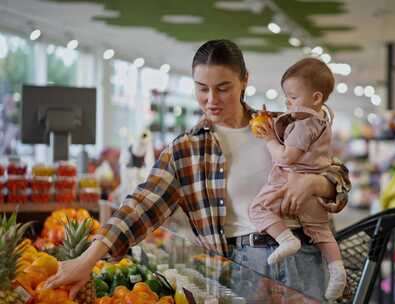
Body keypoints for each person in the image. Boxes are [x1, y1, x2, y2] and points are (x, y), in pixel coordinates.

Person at [44, 39, 351, 300]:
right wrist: (86, 260)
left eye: (223, 88)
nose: (211, 99)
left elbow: (338, 177)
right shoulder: (187, 149)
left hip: (305, 257)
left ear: (245, 80)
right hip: (246, 267)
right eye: (202, 88)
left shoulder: (281, 126)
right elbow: (141, 205)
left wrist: (315, 185)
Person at [249, 58, 346, 300]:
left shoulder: (304, 124)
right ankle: (337, 270)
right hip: (313, 197)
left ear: (315, 98)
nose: (287, 102)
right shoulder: (323, 121)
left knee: (258, 209)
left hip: (289, 182)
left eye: (292, 97)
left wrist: (271, 138)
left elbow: (287, 157)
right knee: (322, 232)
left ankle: (285, 239)